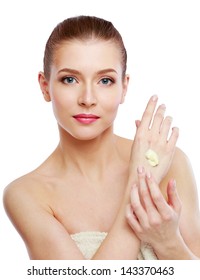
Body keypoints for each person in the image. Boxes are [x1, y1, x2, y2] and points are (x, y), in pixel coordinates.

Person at [3, 15, 200, 260]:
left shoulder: (169, 162)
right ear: (45, 86)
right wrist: (138, 186)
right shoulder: (26, 194)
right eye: (70, 79)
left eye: (105, 80)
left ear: (124, 88)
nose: (87, 98)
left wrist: (169, 242)